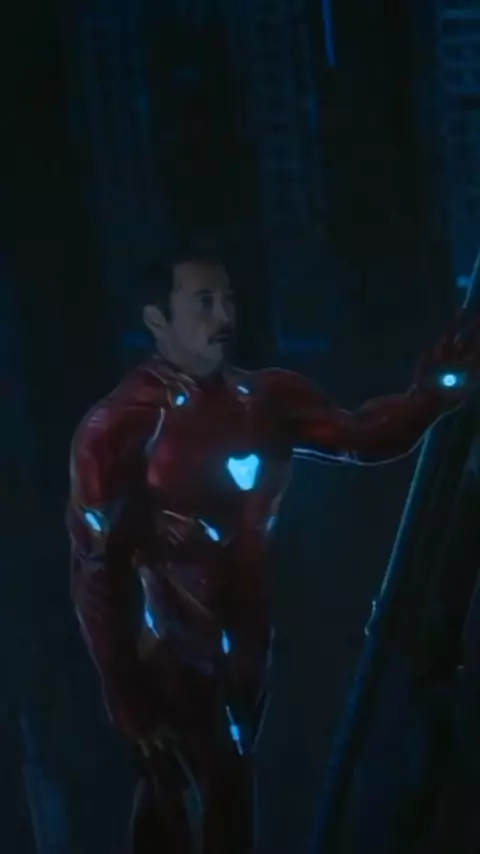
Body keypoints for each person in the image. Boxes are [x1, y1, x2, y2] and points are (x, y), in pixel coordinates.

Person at [66, 244, 480, 854]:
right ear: (157, 318)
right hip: (173, 656)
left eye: (227, 299)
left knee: (230, 795)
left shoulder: (265, 400)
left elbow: (361, 436)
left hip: (246, 651)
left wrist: (432, 393)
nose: (223, 315)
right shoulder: (121, 426)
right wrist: (127, 697)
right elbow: (96, 569)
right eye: (203, 301)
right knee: (187, 800)